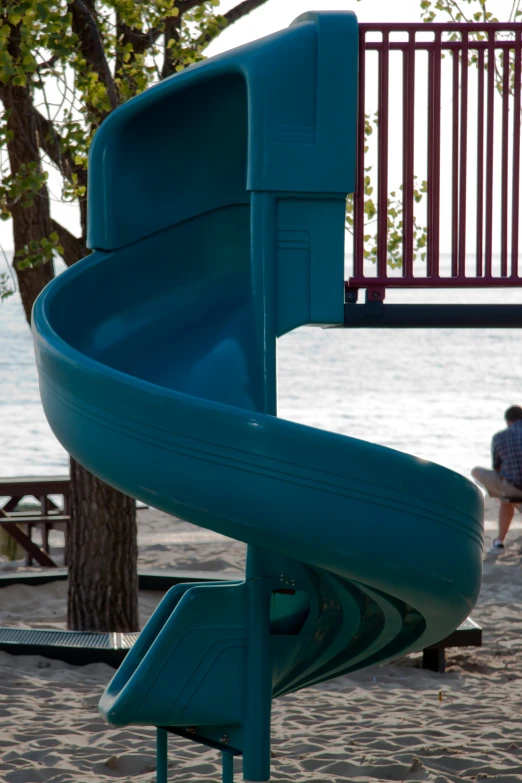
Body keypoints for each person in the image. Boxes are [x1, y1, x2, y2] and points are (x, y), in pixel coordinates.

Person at [472, 405, 522, 554]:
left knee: (476, 471)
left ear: (508, 421)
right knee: (509, 500)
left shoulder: (499, 437)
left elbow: (497, 468)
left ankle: (499, 542)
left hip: (512, 488)